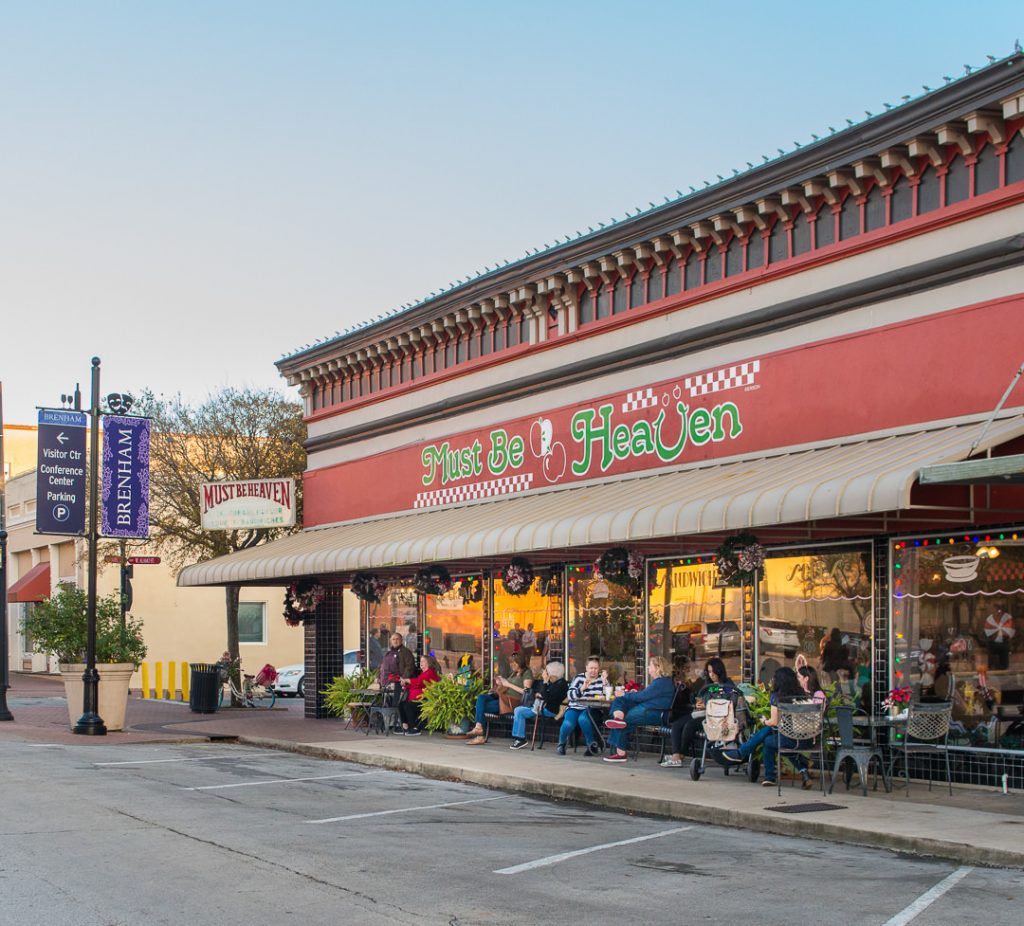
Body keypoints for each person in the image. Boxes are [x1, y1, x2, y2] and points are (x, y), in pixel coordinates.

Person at [720, 666, 815, 788]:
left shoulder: (777, 697)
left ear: (779, 681)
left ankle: (766, 773)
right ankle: (803, 771)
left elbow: (774, 722)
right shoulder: (804, 695)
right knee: (771, 736)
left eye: (774, 678)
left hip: (790, 740)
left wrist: (765, 721)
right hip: (808, 740)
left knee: (768, 739)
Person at [659, 657, 736, 768]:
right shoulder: (707, 683)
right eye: (709, 672)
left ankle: (681, 755)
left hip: (717, 717)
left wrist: (708, 700)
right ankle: (676, 755)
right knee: (677, 725)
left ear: (719, 670)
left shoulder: (728, 684)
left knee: (689, 725)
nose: (711, 675)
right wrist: (697, 702)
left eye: (713, 671)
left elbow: (730, 695)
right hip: (701, 713)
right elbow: (698, 695)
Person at [603, 656, 675, 763]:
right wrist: (627, 695)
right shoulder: (662, 682)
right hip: (649, 709)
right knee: (620, 700)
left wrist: (625, 694)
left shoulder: (661, 682)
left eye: (650, 665)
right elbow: (645, 695)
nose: (648, 667)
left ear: (657, 667)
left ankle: (621, 753)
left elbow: (642, 696)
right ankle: (618, 718)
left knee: (624, 719)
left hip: (654, 713)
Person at [465, 652, 533, 745]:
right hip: (503, 699)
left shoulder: (527, 673)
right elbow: (505, 687)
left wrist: (508, 684)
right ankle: (478, 728)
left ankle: (479, 734)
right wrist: (500, 683)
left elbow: (526, 692)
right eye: (511, 663)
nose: (511, 665)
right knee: (481, 698)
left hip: (512, 702)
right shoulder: (513, 674)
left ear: (520, 662)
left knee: (481, 707)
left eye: (514, 663)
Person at [510, 661, 568, 749]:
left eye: (546, 671)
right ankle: (518, 737)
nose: (544, 673)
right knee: (518, 710)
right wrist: (541, 692)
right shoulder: (555, 682)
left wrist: (544, 682)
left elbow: (547, 697)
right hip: (543, 707)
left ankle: (520, 739)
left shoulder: (560, 685)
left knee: (519, 711)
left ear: (551, 674)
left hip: (550, 711)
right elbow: (545, 694)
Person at [557, 656, 607, 755]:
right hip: (575, 707)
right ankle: (561, 744)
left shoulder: (602, 679)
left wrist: (605, 681)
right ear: (586, 668)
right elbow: (570, 695)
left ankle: (591, 746)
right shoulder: (579, 678)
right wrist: (582, 689)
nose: (593, 670)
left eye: (596, 668)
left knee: (583, 719)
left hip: (591, 708)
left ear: (599, 669)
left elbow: (606, 696)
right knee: (568, 724)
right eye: (591, 668)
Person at [398, 655, 441, 735]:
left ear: (428, 663)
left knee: (408, 706)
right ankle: (405, 726)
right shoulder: (423, 673)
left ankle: (414, 727)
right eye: (420, 661)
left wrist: (407, 680)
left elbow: (419, 682)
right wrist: (405, 685)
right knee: (401, 704)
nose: (421, 663)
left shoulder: (430, 672)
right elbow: (416, 685)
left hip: (426, 700)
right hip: (416, 698)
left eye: (423, 661)